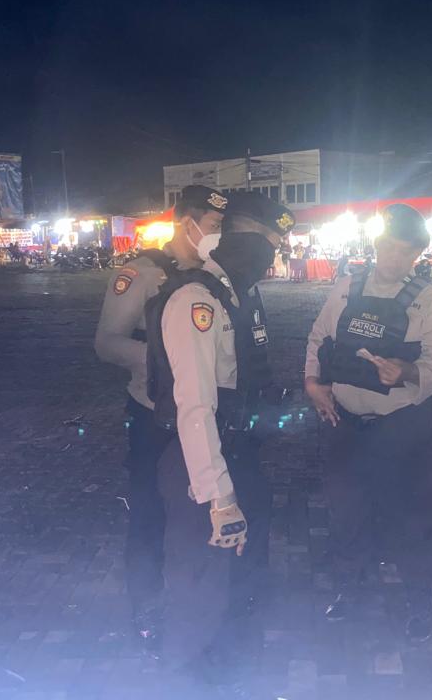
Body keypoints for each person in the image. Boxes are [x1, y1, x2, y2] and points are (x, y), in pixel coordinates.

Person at [146, 192, 295, 688]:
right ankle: (186, 679)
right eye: (265, 240)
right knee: (199, 591)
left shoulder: (234, 294)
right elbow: (194, 406)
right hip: (202, 465)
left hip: (235, 453)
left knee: (234, 584)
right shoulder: (197, 299)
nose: (272, 252)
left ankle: (227, 675)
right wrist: (218, 496)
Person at [304, 203, 432, 642]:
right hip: (345, 422)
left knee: (409, 516)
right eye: (388, 246)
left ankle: (418, 601)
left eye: (405, 251)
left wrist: (407, 371)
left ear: (417, 255)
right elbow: (318, 339)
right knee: (346, 512)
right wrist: (313, 382)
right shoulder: (346, 287)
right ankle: (349, 588)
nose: (394, 258)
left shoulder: (428, 298)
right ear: (376, 244)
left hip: (400, 427)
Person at [93, 184, 226, 643]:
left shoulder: (213, 274)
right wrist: (162, 361)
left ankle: (195, 600)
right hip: (154, 414)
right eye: (212, 225)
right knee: (150, 511)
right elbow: (106, 342)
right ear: (187, 223)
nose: (218, 234)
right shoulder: (141, 273)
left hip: (204, 414)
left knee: (199, 508)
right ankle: (146, 605)